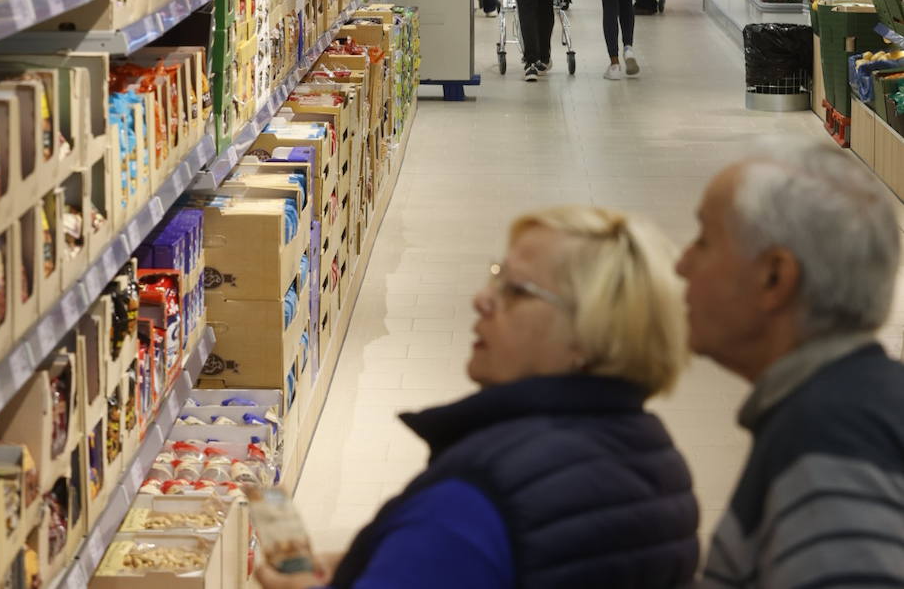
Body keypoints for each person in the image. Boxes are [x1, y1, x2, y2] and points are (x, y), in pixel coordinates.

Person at [258, 205, 699, 589]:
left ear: (591, 335)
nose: (481, 300)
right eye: (496, 278)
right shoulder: (657, 459)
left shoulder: (478, 494)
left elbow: (469, 544)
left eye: (517, 291)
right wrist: (383, 564)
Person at [677, 138, 904, 589]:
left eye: (703, 240)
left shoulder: (827, 437)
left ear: (775, 277)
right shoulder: (862, 401)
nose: (682, 264)